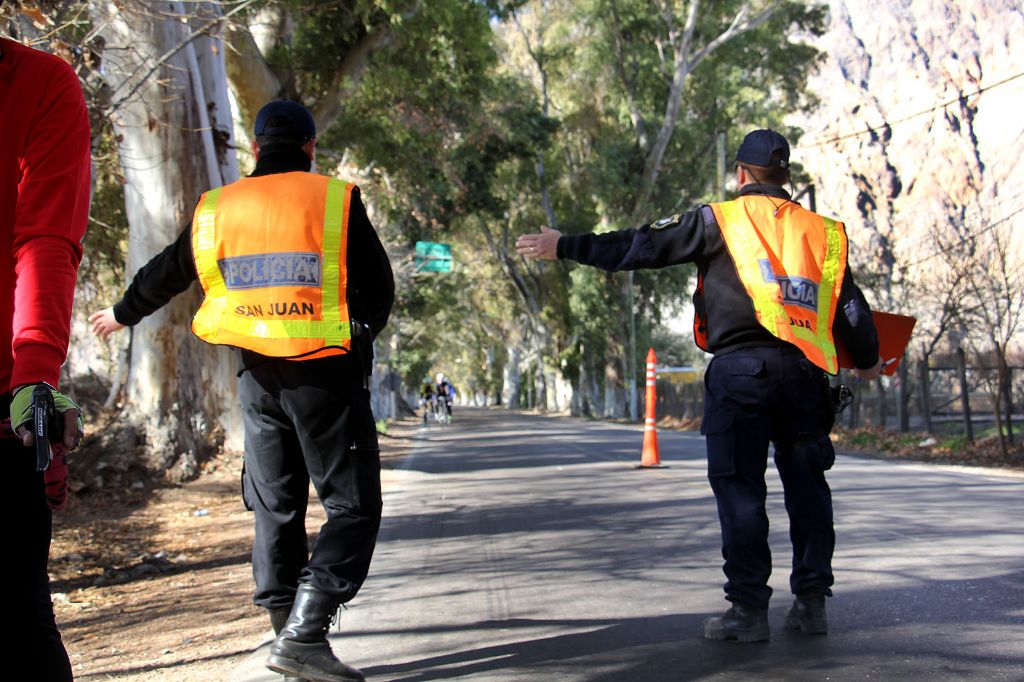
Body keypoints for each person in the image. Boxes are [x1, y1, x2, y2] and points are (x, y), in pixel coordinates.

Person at [516, 129, 882, 643]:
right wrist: (866, 360)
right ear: (787, 176)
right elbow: (851, 308)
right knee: (808, 491)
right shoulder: (823, 232)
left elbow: (642, 244)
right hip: (805, 377)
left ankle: (749, 612)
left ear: (740, 175)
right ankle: (812, 604)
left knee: (740, 492)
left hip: (739, 376)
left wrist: (566, 246)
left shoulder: (719, 220)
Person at [89, 100, 394, 680]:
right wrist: (358, 337)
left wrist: (122, 312)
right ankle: (304, 635)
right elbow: (378, 289)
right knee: (352, 507)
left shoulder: (216, 207)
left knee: (276, 505)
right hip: (323, 373)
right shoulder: (333, 199)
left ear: (256, 148)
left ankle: (287, 634)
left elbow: (167, 270)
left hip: (255, 377)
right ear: (309, 147)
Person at [1, 36, 90, 680]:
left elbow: (45, 240)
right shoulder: (43, 80)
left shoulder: (39, 83)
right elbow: (46, 239)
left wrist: (32, 381)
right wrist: (33, 380)